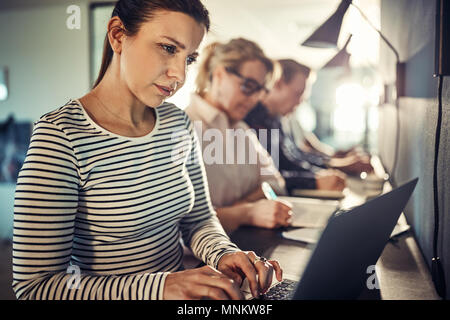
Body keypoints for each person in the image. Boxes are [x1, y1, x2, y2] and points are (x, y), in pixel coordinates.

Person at [12, 0, 282, 300]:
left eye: (189, 58)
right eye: (168, 48)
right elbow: (34, 287)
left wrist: (223, 253)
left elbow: (199, 219)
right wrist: (162, 286)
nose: (180, 74)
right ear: (117, 35)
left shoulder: (177, 122)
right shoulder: (60, 136)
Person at [185, 38, 293, 234]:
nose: (254, 99)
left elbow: (276, 183)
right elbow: (179, 225)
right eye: (249, 86)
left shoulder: (242, 130)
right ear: (219, 74)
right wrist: (246, 212)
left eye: (260, 90)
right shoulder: (184, 129)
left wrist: (239, 207)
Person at [244, 59, 372, 194]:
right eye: (297, 94)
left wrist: (326, 172)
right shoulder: (252, 121)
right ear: (278, 83)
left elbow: (295, 158)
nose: (300, 102)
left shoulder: (278, 119)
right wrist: (316, 179)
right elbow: (272, 175)